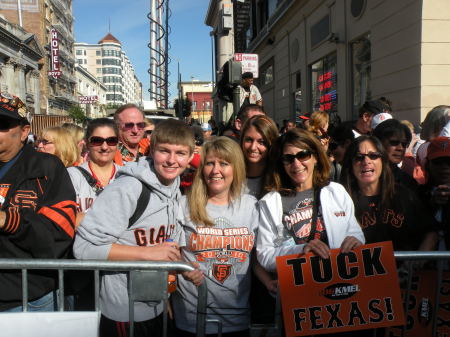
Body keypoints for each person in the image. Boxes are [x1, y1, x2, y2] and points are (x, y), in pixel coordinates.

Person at [73, 119, 194, 337]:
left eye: (180, 153)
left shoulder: (173, 187)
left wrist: (182, 269)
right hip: (124, 311)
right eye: (164, 151)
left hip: (155, 303)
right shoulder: (128, 188)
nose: (171, 160)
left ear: (190, 157)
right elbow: (83, 250)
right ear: (151, 151)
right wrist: (147, 254)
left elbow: (164, 247)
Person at [172, 136, 258, 336]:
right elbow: (170, 250)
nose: (215, 170)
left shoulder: (251, 206)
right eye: (210, 163)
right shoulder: (183, 205)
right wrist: (183, 269)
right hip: (193, 318)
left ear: (235, 168)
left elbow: (259, 257)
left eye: (224, 164)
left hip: (237, 318)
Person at [0, 92, 76, 311]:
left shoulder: (47, 167)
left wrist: (8, 220)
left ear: (24, 132)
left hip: (28, 297)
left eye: (2, 124)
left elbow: (57, 235)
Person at [257, 128, 365, 273]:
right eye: (288, 158)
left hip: (340, 277)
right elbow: (265, 255)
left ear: (315, 157)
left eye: (303, 155)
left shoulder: (336, 192)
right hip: (298, 286)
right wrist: (301, 251)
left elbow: (355, 233)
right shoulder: (270, 203)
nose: (296, 164)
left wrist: (356, 241)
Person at [339, 136, 437, 251]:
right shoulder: (340, 201)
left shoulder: (403, 195)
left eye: (374, 156)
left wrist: (417, 261)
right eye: (359, 157)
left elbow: (431, 232)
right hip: (360, 268)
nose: (366, 161)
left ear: (383, 161)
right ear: (350, 165)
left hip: (400, 267)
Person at [67, 118, 120, 228]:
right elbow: (67, 221)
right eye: (97, 141)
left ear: (117, 144)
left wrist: (84, 217)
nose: (104, 147)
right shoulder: (72, 176)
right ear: (87, 143)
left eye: (111, 141)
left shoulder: (127, 175)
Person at [372, 118, 419, 191]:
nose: (400, 148)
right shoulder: (364, 176)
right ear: (378, 142)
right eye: (394, 142)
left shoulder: (408, 182)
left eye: (404, 144)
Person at [240, 114, 279, 198]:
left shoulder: (278, 178)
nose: (253, 147)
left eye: (261, 142)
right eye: (249, 140)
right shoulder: (232, 175)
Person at [422, 137, 450, 249]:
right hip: (425, 265)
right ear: (428, 164)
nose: (445, 168)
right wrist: (430, 204)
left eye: (449, 162)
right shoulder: (415, 194)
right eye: (438, 162)